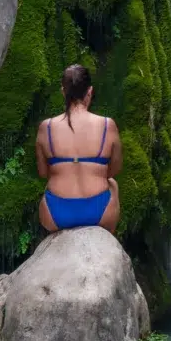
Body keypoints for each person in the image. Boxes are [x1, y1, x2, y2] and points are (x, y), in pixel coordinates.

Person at [37, 64, 122, 233]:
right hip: (99, 211)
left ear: (63, 91)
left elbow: (43, 173)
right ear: (89, 92)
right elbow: (114, 170)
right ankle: (106, 241)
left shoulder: (45, 127)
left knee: (49, 187)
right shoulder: (107, 125)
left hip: (56, 214)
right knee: (113, 184)